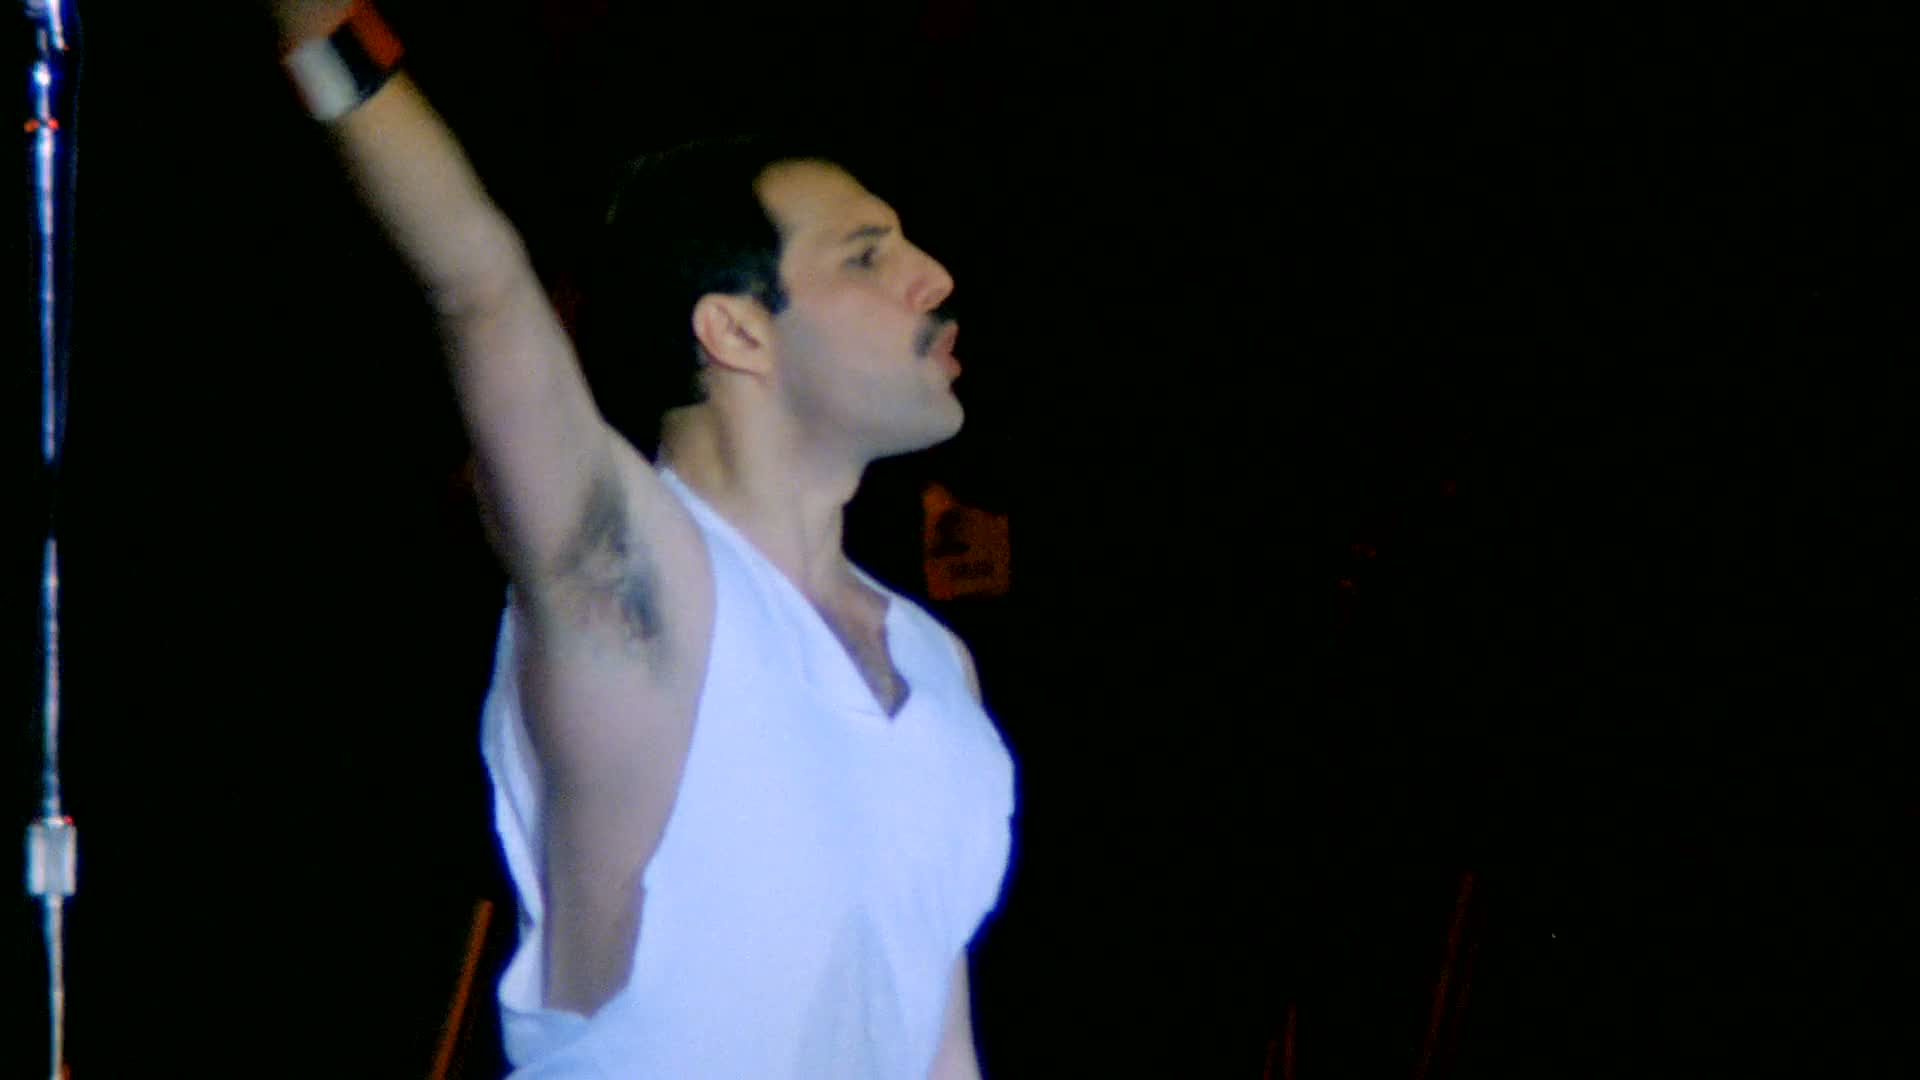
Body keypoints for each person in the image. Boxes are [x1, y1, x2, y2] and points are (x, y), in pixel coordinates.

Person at [271, 3, 1015, 1076]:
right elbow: (478, 281)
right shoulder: (646, 586)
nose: (933, 276)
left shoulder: (937, 666)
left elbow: (937, 1045)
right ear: (736, 328)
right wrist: (320, 28)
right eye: (867, 254)